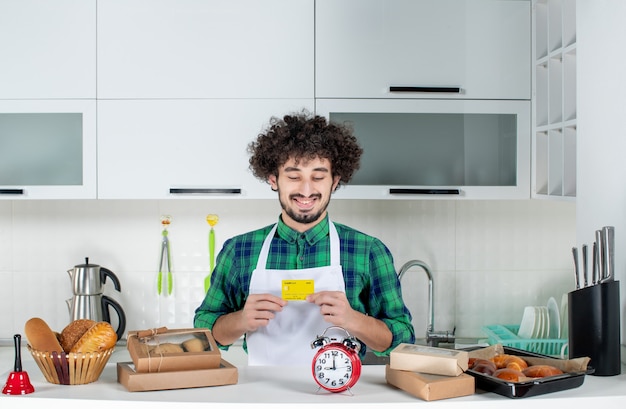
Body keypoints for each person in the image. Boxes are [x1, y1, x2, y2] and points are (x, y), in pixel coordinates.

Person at [193, 111, 415, 366]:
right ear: (273, 179)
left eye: (318, 177)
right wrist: (240, 320)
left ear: (335, 182)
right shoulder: (239, 250)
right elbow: (203, 333)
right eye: (294, 176)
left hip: (342, 397)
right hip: (262, 395)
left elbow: (402, 339)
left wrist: (353, 319)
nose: (306, 190)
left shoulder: (368, 250)